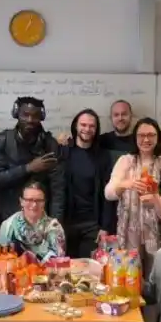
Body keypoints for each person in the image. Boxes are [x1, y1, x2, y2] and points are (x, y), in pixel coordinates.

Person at [0, 181, 67, 322]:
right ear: (21, 201)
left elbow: (58, 263)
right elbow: (1, 259)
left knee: (52, 319)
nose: (33, 205)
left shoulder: (54, 227)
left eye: (38, 200)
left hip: (46, 290)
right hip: (16, 288)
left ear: (44, 203)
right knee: (11, 316)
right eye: (28, 200)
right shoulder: (8, 226)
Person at [105, 117, 161, 274]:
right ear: (135, 138)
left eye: (151, 135)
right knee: (130, 276)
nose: (146, 139)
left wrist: (155, 197)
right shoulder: (125, 161)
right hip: (129, 230)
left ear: (158, 138)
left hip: (157, 230)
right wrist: (126, 184)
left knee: (156, 275)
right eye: (141, 135)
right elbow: (108, 193)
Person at [0, 96, 65, 226]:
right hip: (8, 219)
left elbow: (57, 188)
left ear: (41, 117)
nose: (30, 120)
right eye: (25, 115)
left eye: (35, 116)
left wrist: (55, 222)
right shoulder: (2, 140)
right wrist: (28, 168)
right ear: (16, 114)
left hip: (40, 220)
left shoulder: (49, 144)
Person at [59, 109, 115, 258]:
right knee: (65, 272)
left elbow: (107, 194)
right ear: (76, 126)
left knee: (89, 271)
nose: (87, 129)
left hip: (92, 226)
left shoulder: (103, 157)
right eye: (83, 125)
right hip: (66, 224)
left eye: (92, 126)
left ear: (96, 130)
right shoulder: (64, 153)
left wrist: (105, 227)